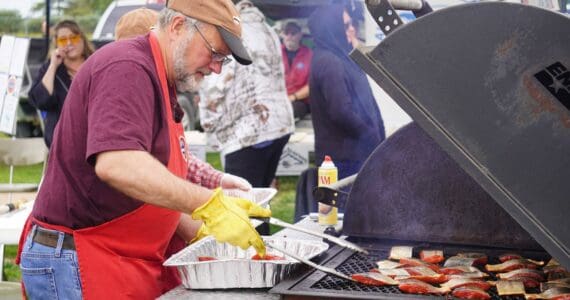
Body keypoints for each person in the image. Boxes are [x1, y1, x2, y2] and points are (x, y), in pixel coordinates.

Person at [17, 0, 271, 298]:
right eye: (215, 53)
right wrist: (208, 204)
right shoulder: (127, 67)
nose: (216, 67)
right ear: (177, 27)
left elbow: (155, 176)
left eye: (223, 60)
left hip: (116, 255)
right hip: (77, 257)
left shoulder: (163, 78)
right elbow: (119, 164)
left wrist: (206, 231)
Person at [200, 0, 294, 189]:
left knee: (243, 203)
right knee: (260, 197)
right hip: (278, 124)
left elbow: (216, 85)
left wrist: (208, 123)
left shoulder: (232, 30)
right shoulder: (267, 29)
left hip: (247, 131)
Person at [308, 4, 386, 179]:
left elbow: (365, 99)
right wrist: (369, 133)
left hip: (353, 154)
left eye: (352, 24)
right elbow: (341, 111)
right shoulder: (329, 62)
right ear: (331, 28)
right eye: (345, 26)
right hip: (344, 158)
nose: (352, 29)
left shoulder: (341, 57)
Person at [29, 20, 95, 148]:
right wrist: (53, 65)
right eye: (63, 40)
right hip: (62, 141)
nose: (69, 43)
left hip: (93, 135)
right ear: (56, 44)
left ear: (82, 39)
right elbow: (40, 101)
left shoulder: (95, 63)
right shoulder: (51, 69)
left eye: (73, 38)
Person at [281, 20, 312, 121]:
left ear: (300, 35)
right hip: (278, 99)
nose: (289, 36)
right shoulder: (275, 52)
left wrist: (293, 97)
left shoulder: (310, 55)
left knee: (289, 111)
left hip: (300, 101)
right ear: (282, 35)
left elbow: (312, 85)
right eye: (286, 33)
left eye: (293, 33)